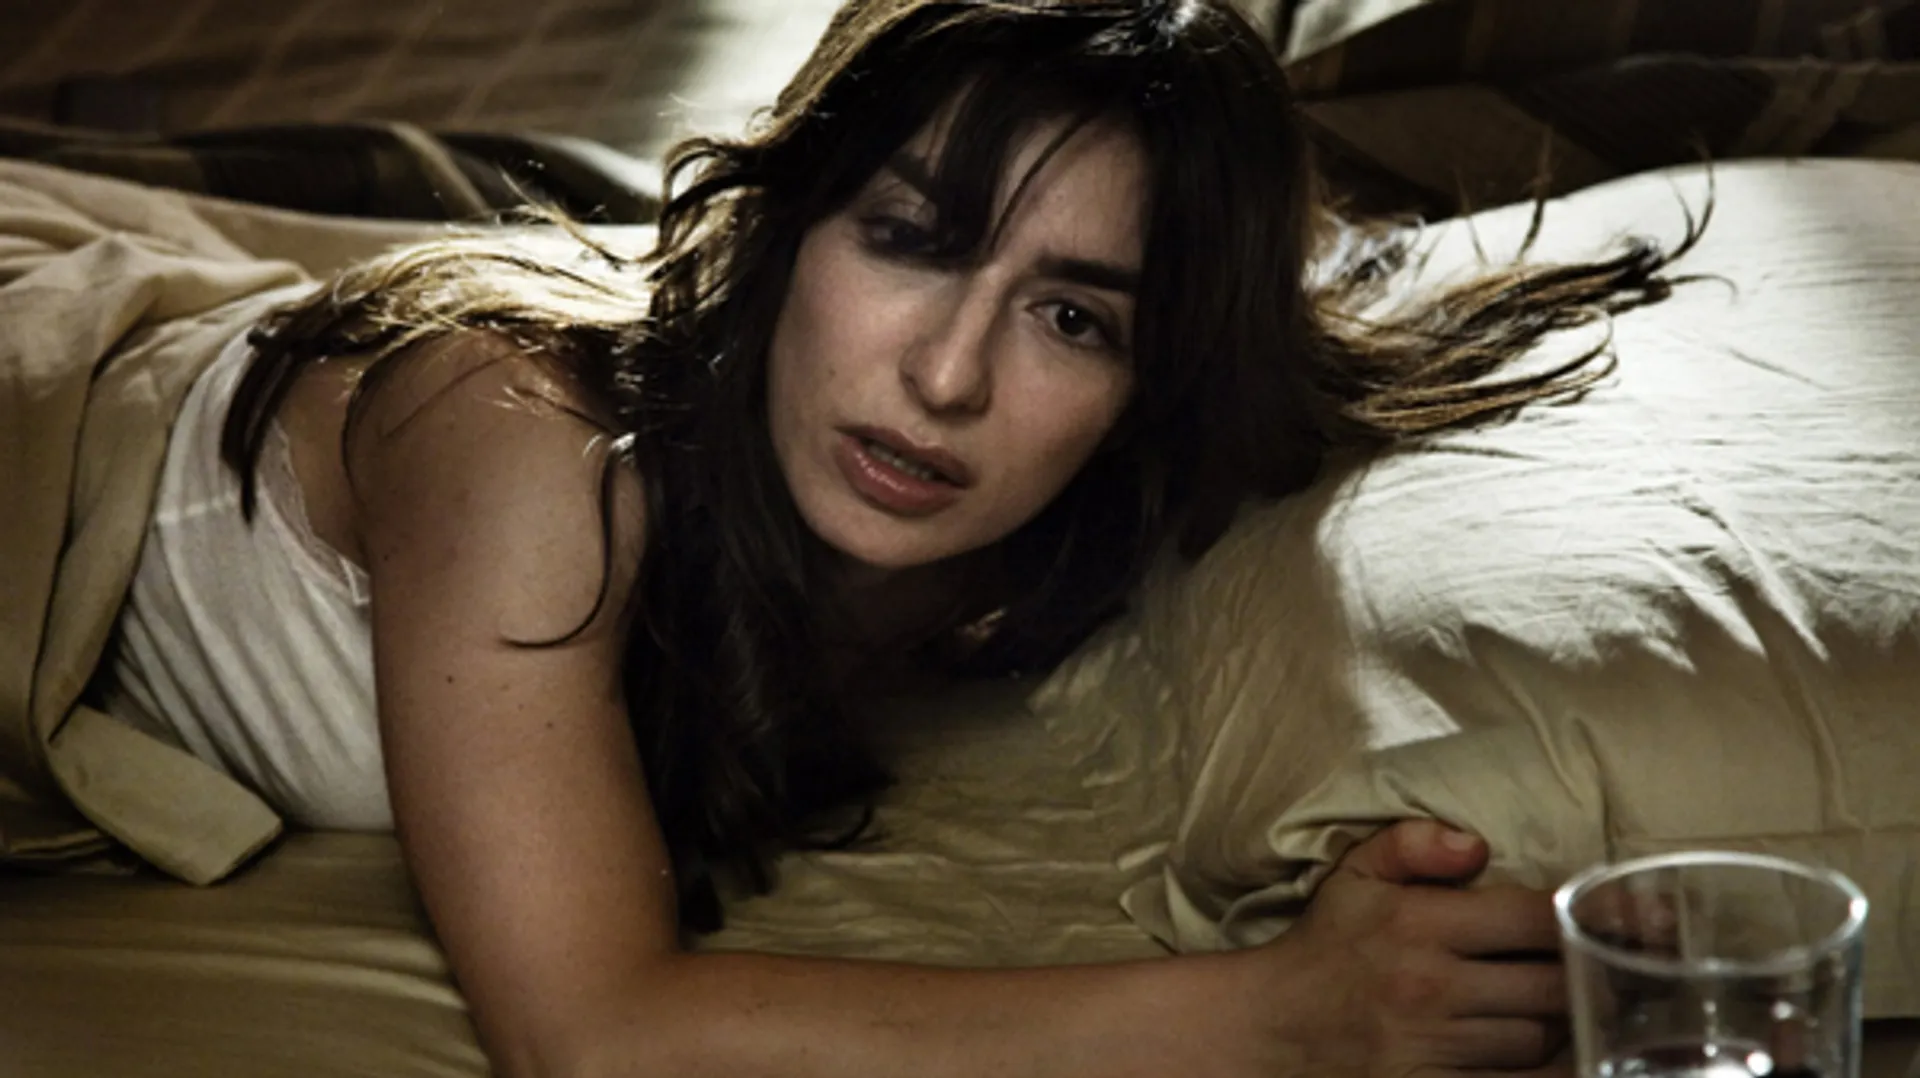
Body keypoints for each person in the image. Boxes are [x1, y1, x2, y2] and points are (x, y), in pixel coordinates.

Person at [98, 1, 1698, 1075]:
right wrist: (1280, 1013)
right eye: (910, 239)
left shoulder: (1066, 508)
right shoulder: (520, 431)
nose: (945, 378)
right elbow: (592, 1034)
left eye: (1072, 316)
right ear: (788, 224)